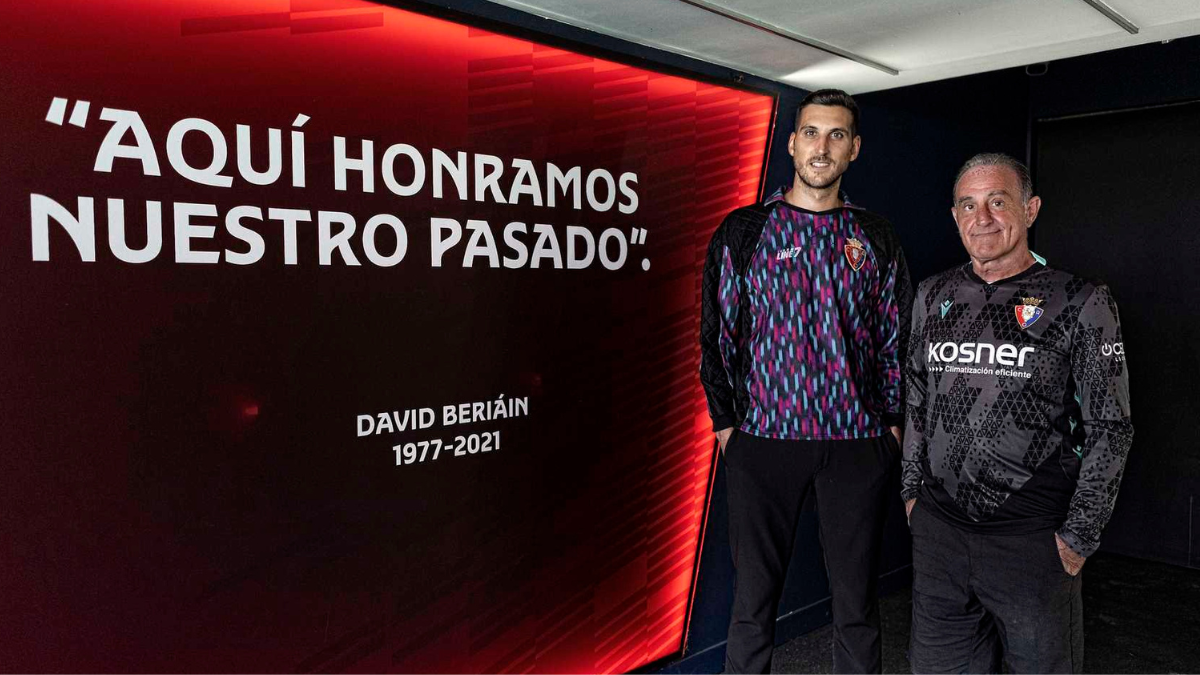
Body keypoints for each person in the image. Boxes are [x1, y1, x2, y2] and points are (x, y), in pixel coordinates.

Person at [700, 89, 912, 674]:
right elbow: (718, 336)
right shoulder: (745, 231)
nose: (823, 147)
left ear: (855, 149)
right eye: (813, 133)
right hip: (764, 441)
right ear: (792, 144)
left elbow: (897, 340)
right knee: (752, 606)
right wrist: (727, 426)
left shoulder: (875, 236)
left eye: (837, 135)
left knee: (856, 606)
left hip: (856, 443)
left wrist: (890, 429)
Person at [902, 153, 1134, 673]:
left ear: (1030, 210)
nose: (982, 217)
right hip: (940, 535)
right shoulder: (931, 294)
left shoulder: (1080, 300)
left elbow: (1111, 428)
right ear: (955, 215)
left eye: (998, 201)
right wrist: (912, 494)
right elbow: (916, 395)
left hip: (1032, 541)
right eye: (968, 204)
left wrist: (1078, 537)